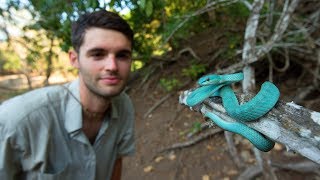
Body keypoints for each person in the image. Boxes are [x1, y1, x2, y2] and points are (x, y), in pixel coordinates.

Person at [0, 10, 135, 180]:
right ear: (74, 59)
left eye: (122, 55)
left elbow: (116, 161)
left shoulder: (124, 106)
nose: (112, 66)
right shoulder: (17, 121)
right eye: (98, 54)